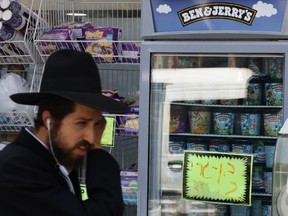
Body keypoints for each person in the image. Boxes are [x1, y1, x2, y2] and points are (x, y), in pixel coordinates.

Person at [0, 49, 129, 216]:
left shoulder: (53, 158)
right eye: (81, 123)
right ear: (50, 121)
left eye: (97, 124)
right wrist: (96, 149)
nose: (91, 136)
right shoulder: (18, 168)